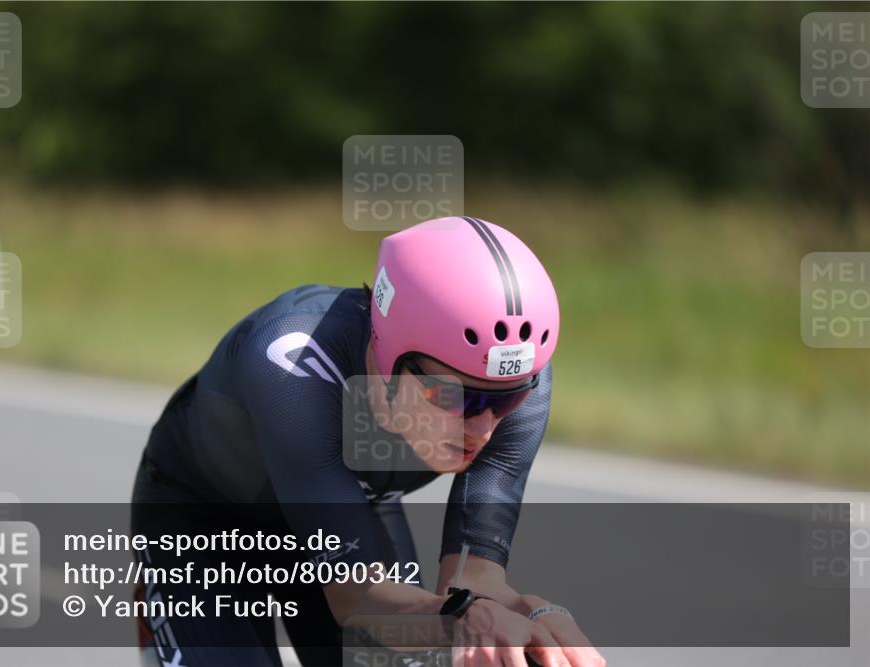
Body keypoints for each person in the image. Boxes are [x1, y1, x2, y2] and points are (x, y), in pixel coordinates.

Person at [131, 216, 605, 667]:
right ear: (388, 351)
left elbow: (470, 584)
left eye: (505, 400)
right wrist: (461, 619)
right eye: (455, 397)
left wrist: (538, 616)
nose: (483, 428)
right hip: (206, 521)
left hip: (348, 505)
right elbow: (355, 598)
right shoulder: (295, 365)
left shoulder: (522, 385)